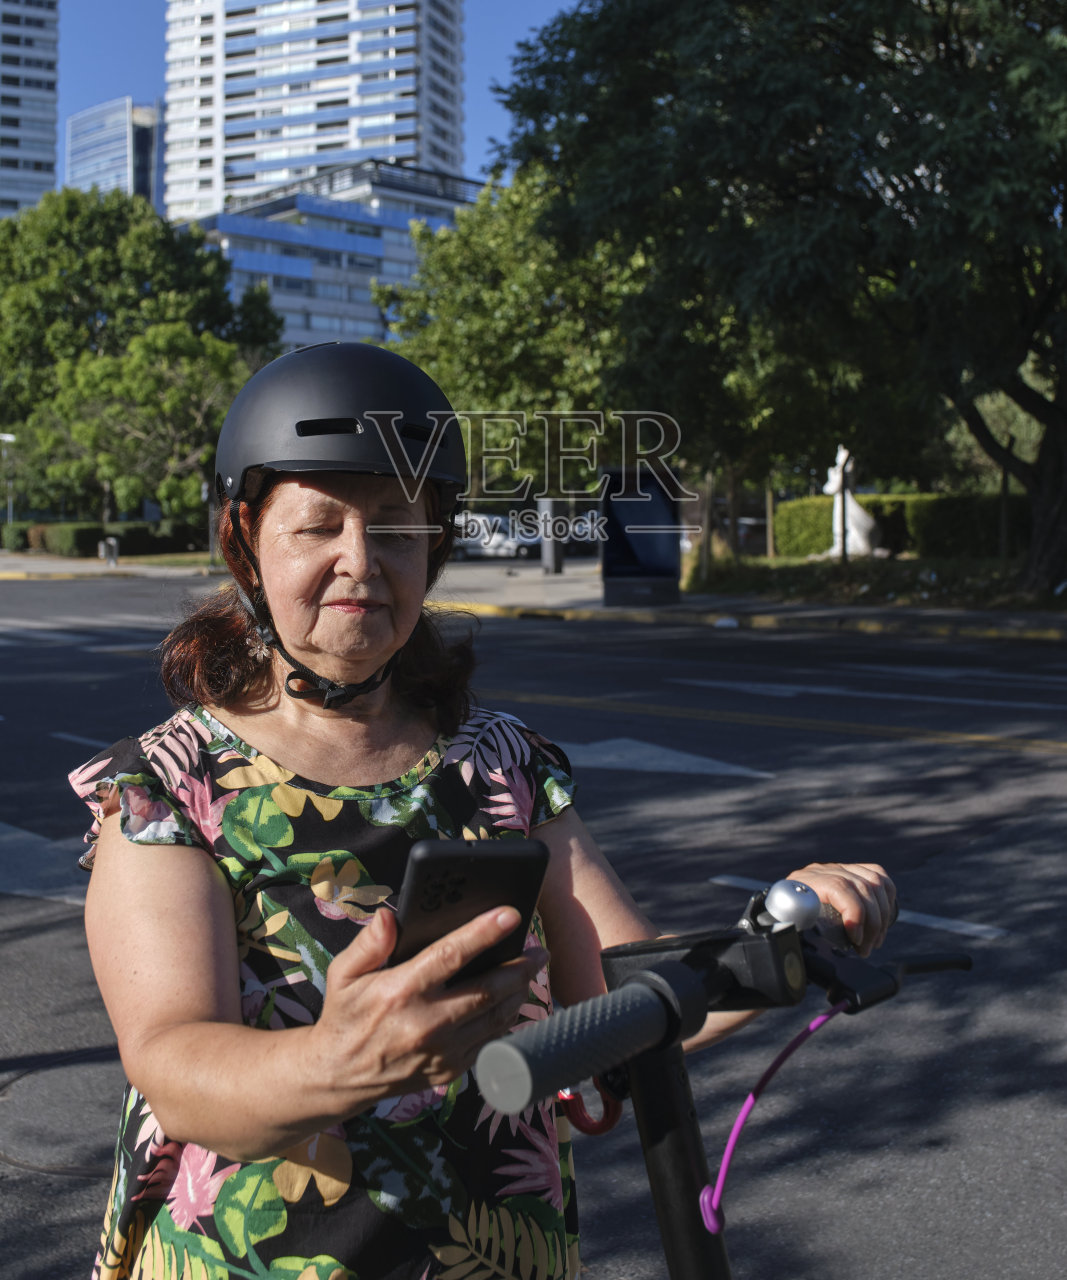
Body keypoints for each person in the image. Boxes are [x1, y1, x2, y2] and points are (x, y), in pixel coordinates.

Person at [71, 342, 895, 1280]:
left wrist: (780, 934)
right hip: (253, 1257)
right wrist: (341, 1059)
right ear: (243, 540)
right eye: (318, 527)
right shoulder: (166, 786)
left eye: (395, 528)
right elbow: (176, 1066)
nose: (360, 562)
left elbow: (625, 996)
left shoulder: (499, 762)